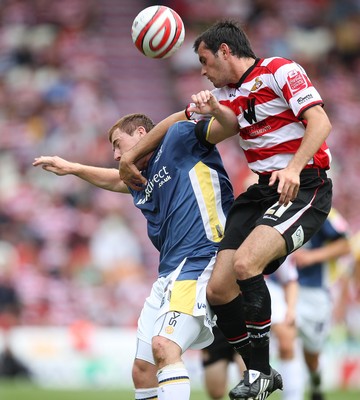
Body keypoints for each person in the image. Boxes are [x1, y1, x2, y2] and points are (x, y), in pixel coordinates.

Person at [118, 20, 333, 400]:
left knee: (245, 265)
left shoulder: (281, 70)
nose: (202, 70)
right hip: (263, 191)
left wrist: (295, 167)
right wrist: (134, 154)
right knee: (218, 290)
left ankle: (261, 373)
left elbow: (320, 121)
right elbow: (182, 121)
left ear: (225, 51)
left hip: (304, 185)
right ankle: (261, 373)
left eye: (204, 60)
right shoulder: (227, 94)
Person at [33, 112, 236, 400]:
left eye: (118, 144)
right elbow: (117, 180)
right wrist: (73, 168)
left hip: (201, 259)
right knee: (142, 369)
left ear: (141, 133)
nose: (116, 155)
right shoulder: (143, 175)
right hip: (169, 273)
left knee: (165, 347)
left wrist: (203, 109)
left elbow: (226, 126)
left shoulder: (179, 139)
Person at [201, 256, 301, 400]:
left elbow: (290, 278)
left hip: (246, 322)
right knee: (215, 391)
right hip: (217, 322)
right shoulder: (213, 246)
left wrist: (291, 309)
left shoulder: (255, 246)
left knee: (249, 387)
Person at [292, 208, 351, 400]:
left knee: (312, 352)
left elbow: (345, 245)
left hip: (315, 292)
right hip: (285, 287)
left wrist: (312, 257)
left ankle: (315, 379)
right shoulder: (276, 205)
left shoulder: (322, 210)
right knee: (285, 337)